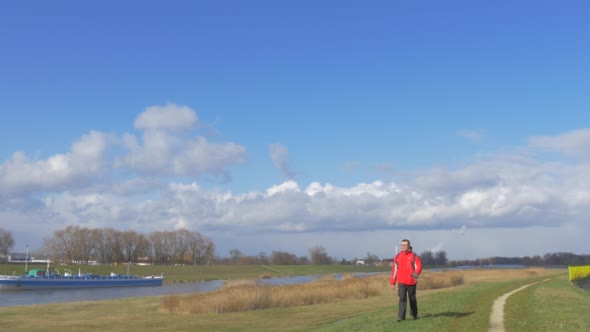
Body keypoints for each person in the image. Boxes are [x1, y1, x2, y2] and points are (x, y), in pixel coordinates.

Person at [390, 239, 422, 322]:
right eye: (402, 245)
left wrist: (415, 274)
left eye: (405, 245)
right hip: (401, 282)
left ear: (408, 246)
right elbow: (394, 270)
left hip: (411, 282)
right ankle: (401, 317)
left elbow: (419, 267)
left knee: (412, 299)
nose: (403, 246)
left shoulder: (414, 256)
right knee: (402, 299)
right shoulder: (397, 257)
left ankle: (414, 315)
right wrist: (392, 282)